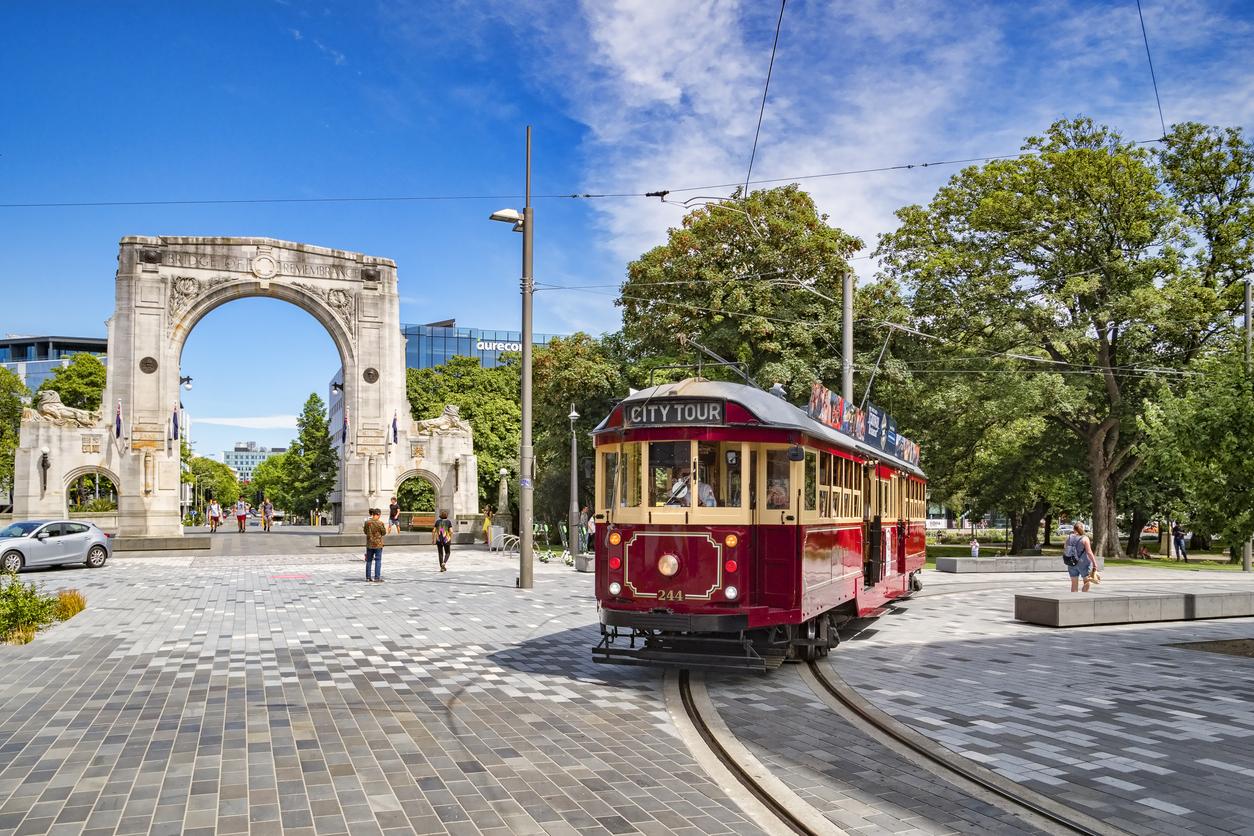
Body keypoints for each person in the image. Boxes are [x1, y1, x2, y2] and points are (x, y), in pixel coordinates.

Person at [1064, 522, 1096, 593]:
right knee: (1087, 581)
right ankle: (1083, 596)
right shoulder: (1085, 538)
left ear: (1073, 529)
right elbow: (1089, 552)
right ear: (1082, 528)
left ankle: (1074, 601)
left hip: (1071, 562)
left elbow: (1065, 548)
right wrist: (1094, 563)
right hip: (1083, 563)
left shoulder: (1068, 537)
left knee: (1074, 584)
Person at [363, 508, 386, 583]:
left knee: (369, 561)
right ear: (378, 514)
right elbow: (384, 533)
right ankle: (377, 577)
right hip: (378, 544)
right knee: (378, 560)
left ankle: (368, 577)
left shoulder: (367, 522)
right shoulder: (380, 523)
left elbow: (365, 531)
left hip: (369, 544)